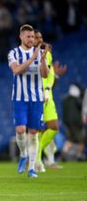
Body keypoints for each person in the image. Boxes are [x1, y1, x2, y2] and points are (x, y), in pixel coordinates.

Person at [7, 24, 49, 178]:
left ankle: (31, 168)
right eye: (28, 36)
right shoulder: (14, 53)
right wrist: (33, 58)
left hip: (37, 99)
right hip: (20, 98)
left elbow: (45, 75)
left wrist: (43, 60)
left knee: (33, 133)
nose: (31, 39)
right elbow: (16, 70)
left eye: (33, 37)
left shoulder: (40, 53)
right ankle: (23, 154)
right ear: (21, 37)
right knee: (20, 130)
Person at [33, 30, 67, 172]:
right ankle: (38, 159)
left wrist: (56, 77)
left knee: (53, 128)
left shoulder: (47, 55)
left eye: (41, 37)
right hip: (37, 96)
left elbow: (49, 79)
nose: (39, 40)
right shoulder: (31, 56)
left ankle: (37, 157)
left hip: (48, 96)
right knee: (41, 130)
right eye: (36, 37)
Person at [61, 84, 85, 161]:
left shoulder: (65, 99)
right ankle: (79, 155)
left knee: (70, 139)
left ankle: (64, 153)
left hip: (67, 122)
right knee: (82, 139)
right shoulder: (77, 100)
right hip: (76, 123)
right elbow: (83, 108)